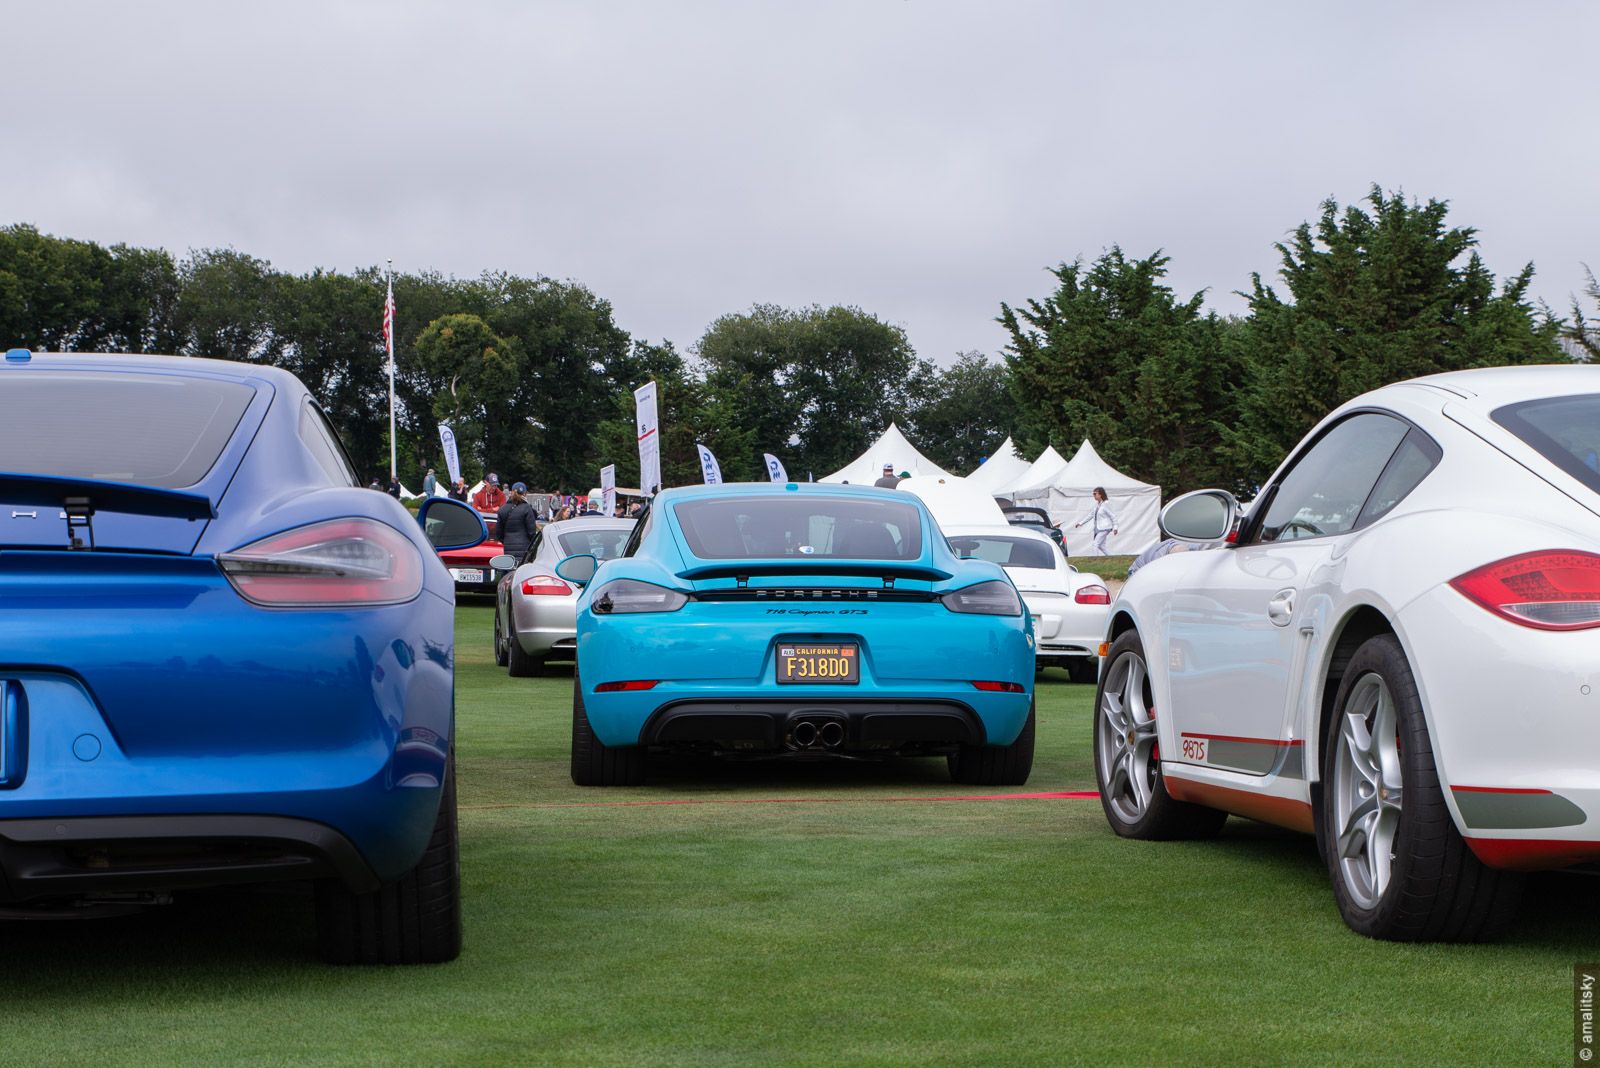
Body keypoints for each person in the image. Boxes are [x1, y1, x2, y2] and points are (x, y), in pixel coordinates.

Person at [494, 483, 538, 562]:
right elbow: (531, 532)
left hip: (508, 548)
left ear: (511, 492)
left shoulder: (502, 509)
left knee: (509, 571)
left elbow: (498, 533)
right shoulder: (527, 508)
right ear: (525, 494)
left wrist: (507, 541)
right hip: (524, 548)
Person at [1074, 487, 1118, 555]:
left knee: (1095, 544)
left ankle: (1096, 560)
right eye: (1093, 494)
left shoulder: (1106, 503)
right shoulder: (1097, 504)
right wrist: (1080, 523)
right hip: (1098, 528)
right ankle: (1113, 558)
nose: (1093, 495)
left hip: (1105, 528)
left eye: (1095, 494)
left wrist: (1115, 527)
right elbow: (1090, 515)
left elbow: (1113, 516)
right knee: (1101, 546)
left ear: (1100, 494)